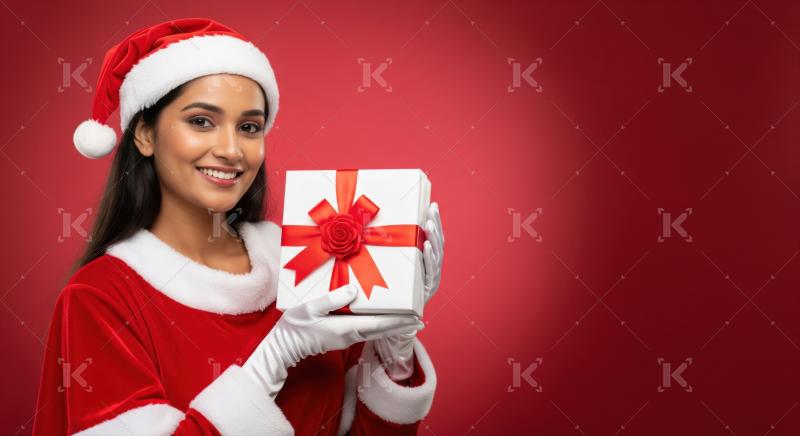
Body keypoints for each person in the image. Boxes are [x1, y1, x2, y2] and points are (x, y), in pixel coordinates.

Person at [32, 18, 444, 435]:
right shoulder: (99, 296)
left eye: (249, 127)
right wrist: (274, 358)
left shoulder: (308, 264)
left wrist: (396, 348)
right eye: (201, 121)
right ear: (144, 135)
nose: (231, 150)